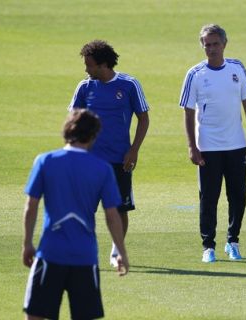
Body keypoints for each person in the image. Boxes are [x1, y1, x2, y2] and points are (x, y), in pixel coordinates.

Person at [22, 110, 129, 320]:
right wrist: (121, 253)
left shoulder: (45, 161)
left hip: (50, 254)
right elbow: (112, 216)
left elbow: (31, 206)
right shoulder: (103, 169)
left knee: (34, 316)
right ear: (93, 136)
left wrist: (27, 243)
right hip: (85, 257)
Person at [179, 24, 246, 263]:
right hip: (208, 146)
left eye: (215, 44)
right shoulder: (195, 74)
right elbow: (187, 112)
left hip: (236, 144)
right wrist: (192, 146)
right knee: (209, 197)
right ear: (202, 46)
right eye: (207, 44)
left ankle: (232, 241)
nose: (211, 48)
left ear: (224, 44)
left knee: (238, 195)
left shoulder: (237, 68)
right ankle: (208, 246)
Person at [69, 39, 150, 268]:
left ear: (103, 64)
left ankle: (116, 250)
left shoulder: (129, 85)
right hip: (89, 161)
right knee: (83, 208)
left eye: (89, 64)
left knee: (120, 207)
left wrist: (134, 150)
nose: (86, 69)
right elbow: (73, 121)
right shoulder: (84, 87)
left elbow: (143, 117)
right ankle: (84, 251)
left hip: (119, 159)